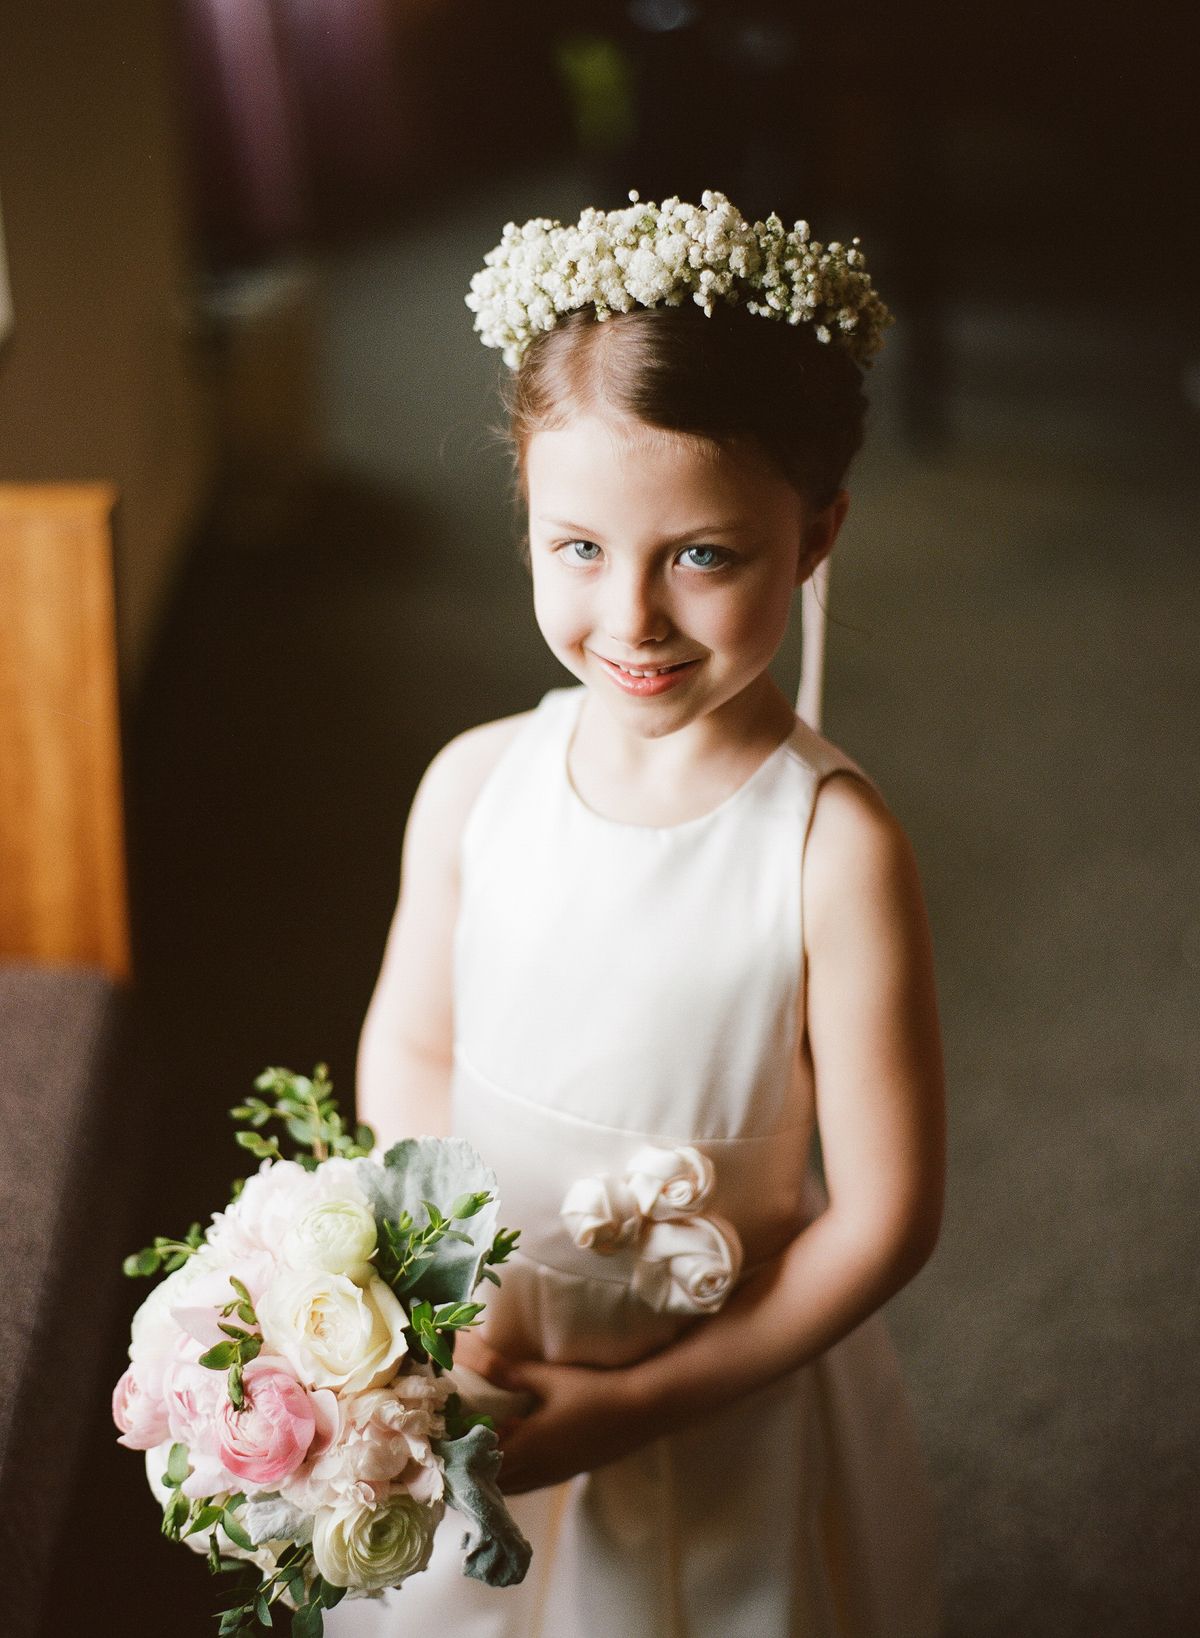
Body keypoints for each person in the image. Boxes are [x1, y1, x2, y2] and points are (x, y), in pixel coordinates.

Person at [332, 192, 946, 1637]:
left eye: (705, 555)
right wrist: (443, 1288)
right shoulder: (475, 783)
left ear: (814, 534)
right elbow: (412, 1049)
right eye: (580, 547)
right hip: (495, 1341)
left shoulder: (832, 852)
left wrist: (636, 1404)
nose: (634, 618)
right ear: (528, 515)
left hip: (713, 1376)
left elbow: (888, 1213)